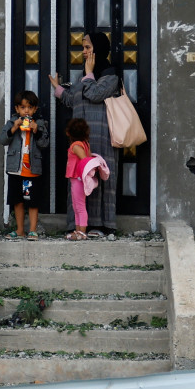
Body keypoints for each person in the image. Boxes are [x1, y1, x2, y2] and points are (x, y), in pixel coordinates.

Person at [48, 32, 119, 238]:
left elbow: (95, 94)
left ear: (99, 49)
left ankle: (102, 225)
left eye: (88, 47)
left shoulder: (110, 75)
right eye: (83, 48)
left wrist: (89, 75)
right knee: (81, 179)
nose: (84, 52)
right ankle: (78, 225)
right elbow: (75, 100)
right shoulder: (83, 77)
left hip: (101, 135)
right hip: (81, 139)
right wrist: (58, 88)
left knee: (97, 177)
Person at [0, 90, 49, 241]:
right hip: (16, 170)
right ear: (17, 109)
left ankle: (32, 230)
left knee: (33, 201)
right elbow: (2, 140)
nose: (26, 111)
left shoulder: (40, 124)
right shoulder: (11, 123)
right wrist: (14, 128)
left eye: (30, 108)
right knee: (17, 201)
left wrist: (36, 131)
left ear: (35, 109)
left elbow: (44, 143)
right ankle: (20, 230)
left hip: (32, 171)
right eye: (22, 107)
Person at [65, 118, 91, 241]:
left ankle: (82, 232)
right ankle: (78, 231)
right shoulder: (85, 143)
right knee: (76, 206)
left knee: (79, 206)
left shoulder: (75, 146)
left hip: (78, 179)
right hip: (78, 179)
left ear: (69, 133)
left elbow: (85, 160)